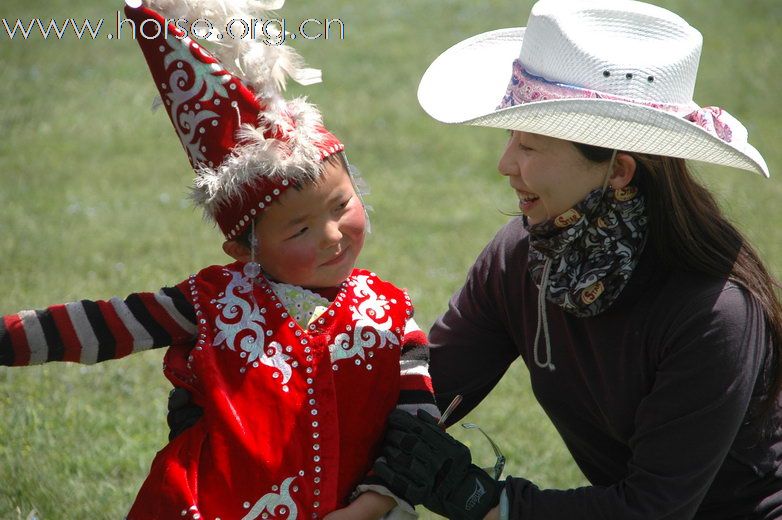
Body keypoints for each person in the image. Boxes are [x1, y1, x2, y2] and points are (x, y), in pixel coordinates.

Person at [0, 1, 439, 518]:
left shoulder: (390, 315)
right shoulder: (211, 302)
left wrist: (373, 504)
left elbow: (416, 423)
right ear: (242, 249)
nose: (330, 235)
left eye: (341, 204)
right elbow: (104, 324)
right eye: (299, 228)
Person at [365, 0, 781, 519]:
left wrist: (488, 504)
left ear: (619, 170)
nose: (505, 164)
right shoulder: (521, 256)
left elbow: (654, 510)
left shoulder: (714, 313)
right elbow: (427, 391)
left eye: (532, 147)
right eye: (510, 138)